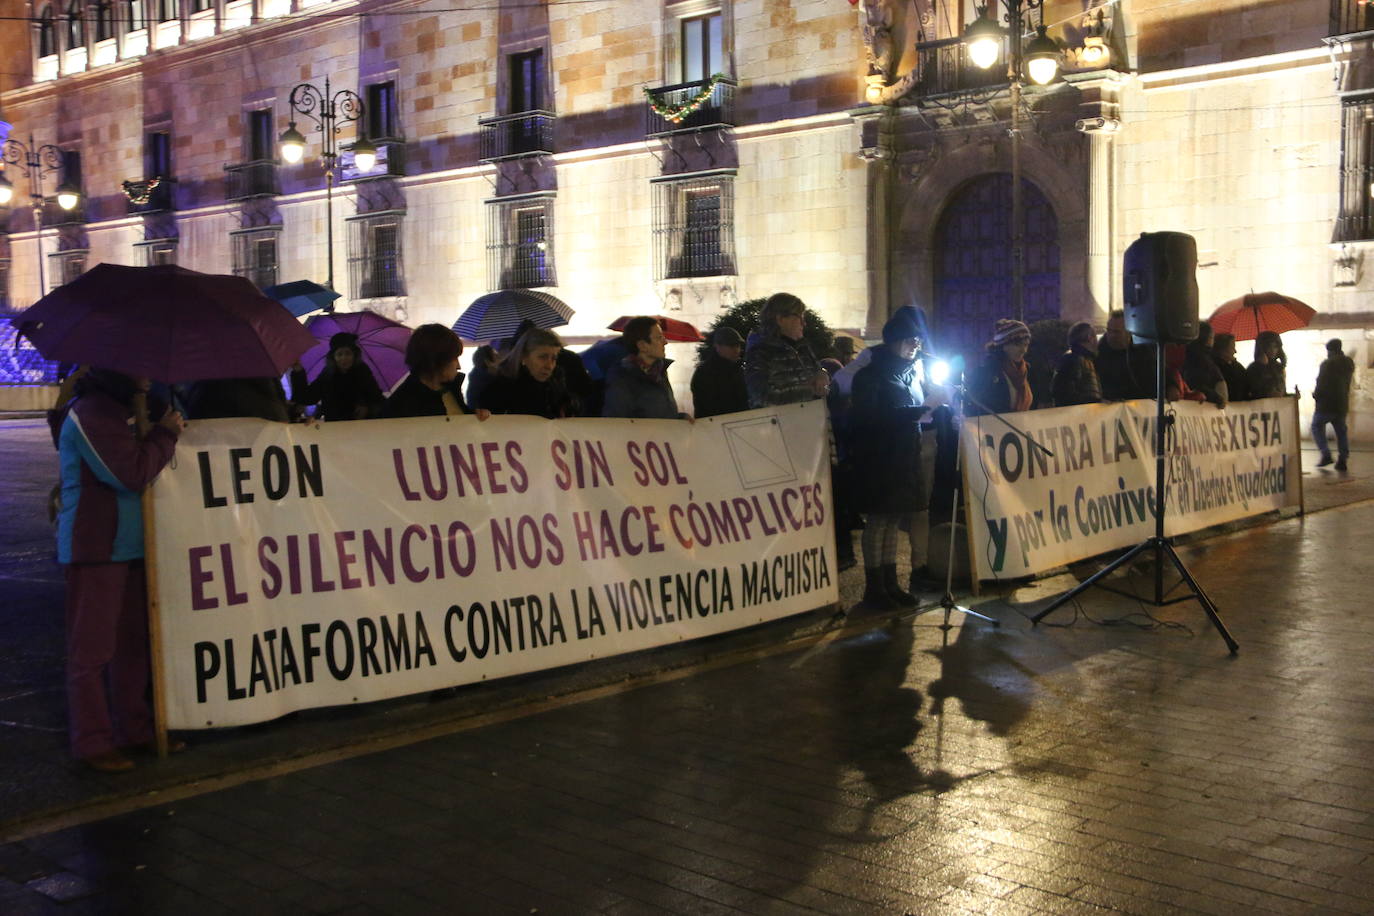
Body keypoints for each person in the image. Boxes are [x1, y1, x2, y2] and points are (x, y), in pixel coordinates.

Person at [56, 369, 185, 772]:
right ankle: (92, 741)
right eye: (139, 367)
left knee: (134, 646)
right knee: (92, 651)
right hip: (97, 547)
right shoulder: (91, 412)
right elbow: (127, 474)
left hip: (133, 544)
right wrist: (163, 435)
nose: (148, 376)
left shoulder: (131, 407)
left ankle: (136, 729)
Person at [848, 307, 932, 609]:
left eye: (918, 341)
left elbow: (913, 411)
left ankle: (891, 583)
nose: (915, 346)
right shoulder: (869, 376)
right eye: (911, 340)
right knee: (879, 522)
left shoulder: (910, 373)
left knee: (894, 520)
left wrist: (931, 411)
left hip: (905, 456)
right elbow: (869, 418)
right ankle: (874, 588)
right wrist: (916, 412)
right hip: (879, 459)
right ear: (894, 341)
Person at [383, 324, 490, 420]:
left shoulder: (450, 389)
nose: (458, 366)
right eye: (454, 358)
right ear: (438, 360)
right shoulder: (404, 403)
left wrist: (475, 416)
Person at [744, 292, 829, 408]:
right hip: (779, 423)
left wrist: (822, 374)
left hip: (810, 420)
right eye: (800, 317)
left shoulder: (803, 348)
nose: (804, 323)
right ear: (780, 319)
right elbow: (761, 398)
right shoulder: (760, 353)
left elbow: (818, 371)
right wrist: (809, 390)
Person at [479, 327, 577, 419]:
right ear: (523, 357)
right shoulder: (499, 388)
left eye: (554, 358)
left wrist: (570, 405)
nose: (549, 366)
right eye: (542, 357)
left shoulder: (556, 384)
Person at [290, 332, 383, 421]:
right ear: (333, 357)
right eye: (339, 354)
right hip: (334, 427)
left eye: (348, 353)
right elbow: (308, 397)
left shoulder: (363, 371)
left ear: (354, 355)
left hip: (361, 426)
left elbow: (376, 397)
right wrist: (298, 372)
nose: (344, 358)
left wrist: (366, 406)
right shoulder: (327, 374)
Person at [602, 317, 683, 419]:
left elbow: (661, 413)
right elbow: (617, 420)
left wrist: (680, 419)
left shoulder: (660, 371)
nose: (665, 342)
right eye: (659, 338)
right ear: (642, 345)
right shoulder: (622, 378)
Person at [965, 319, 1033, 415]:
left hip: (1021, 428)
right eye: (1017, 345)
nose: (1024, 350)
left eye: (1026, 345)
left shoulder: (1025, 371)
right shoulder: (985, 373)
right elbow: (975, 409)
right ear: (1003, 345)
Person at [1312, 338, 1356, 471]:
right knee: (1341, 431)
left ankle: (1326, 454)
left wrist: (1316, 395)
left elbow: (1321, 383)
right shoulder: (1349, 363)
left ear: (1330, 350)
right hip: (1342, 403)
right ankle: (1343, 459)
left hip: (1326, 404)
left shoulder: (1327, 364)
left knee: (1316, 426)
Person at [690, 325, 749, 418]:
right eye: (731, 345)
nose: (736, 350)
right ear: (717, 346)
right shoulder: (705, 373)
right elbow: (708, 406)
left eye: (738, 345)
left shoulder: (738, 369)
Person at [1095, 311, 1155, 401]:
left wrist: (1172, 386)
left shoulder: (1144, 350)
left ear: (1129, 332)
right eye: (1108, 330)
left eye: (1116, 332)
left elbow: (1159, 373)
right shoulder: (1098, 352)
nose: (1111, 335)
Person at [1050, 321, 1103, 407]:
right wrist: (1091, 402)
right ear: (1090, 337)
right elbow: (1063, 391)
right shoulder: (1073, 359)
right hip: (1079, 416)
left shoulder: (1084, 359)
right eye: (1095, 336)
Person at [1181, 321, 1226, 407]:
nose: (1213, 341)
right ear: (1206, 338)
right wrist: (1215, 397)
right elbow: (1197, 383)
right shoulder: (1198, 358)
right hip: (1203, 406)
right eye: (1212, 337)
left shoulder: (1205, 357)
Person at [1247, 330, 1287, 398]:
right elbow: (1252, 391)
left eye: (1275, 346)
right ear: (1262, 347)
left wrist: (1293, 396)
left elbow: (1282, 392)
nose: (1272, 350)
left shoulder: (1279, 367)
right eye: (1269, 346)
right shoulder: (1253, 368)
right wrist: (1262, 367)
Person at [1212, 333, 1251, 403]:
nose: (1235, 351)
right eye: (1232, 347)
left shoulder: (1237, 367)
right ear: (1223, 350)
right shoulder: (1213, 369)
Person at [464, 343, 501, 412]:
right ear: (487, 362)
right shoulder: (482, 381)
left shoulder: (476, 378)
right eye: (496, 355)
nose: (499, 357)